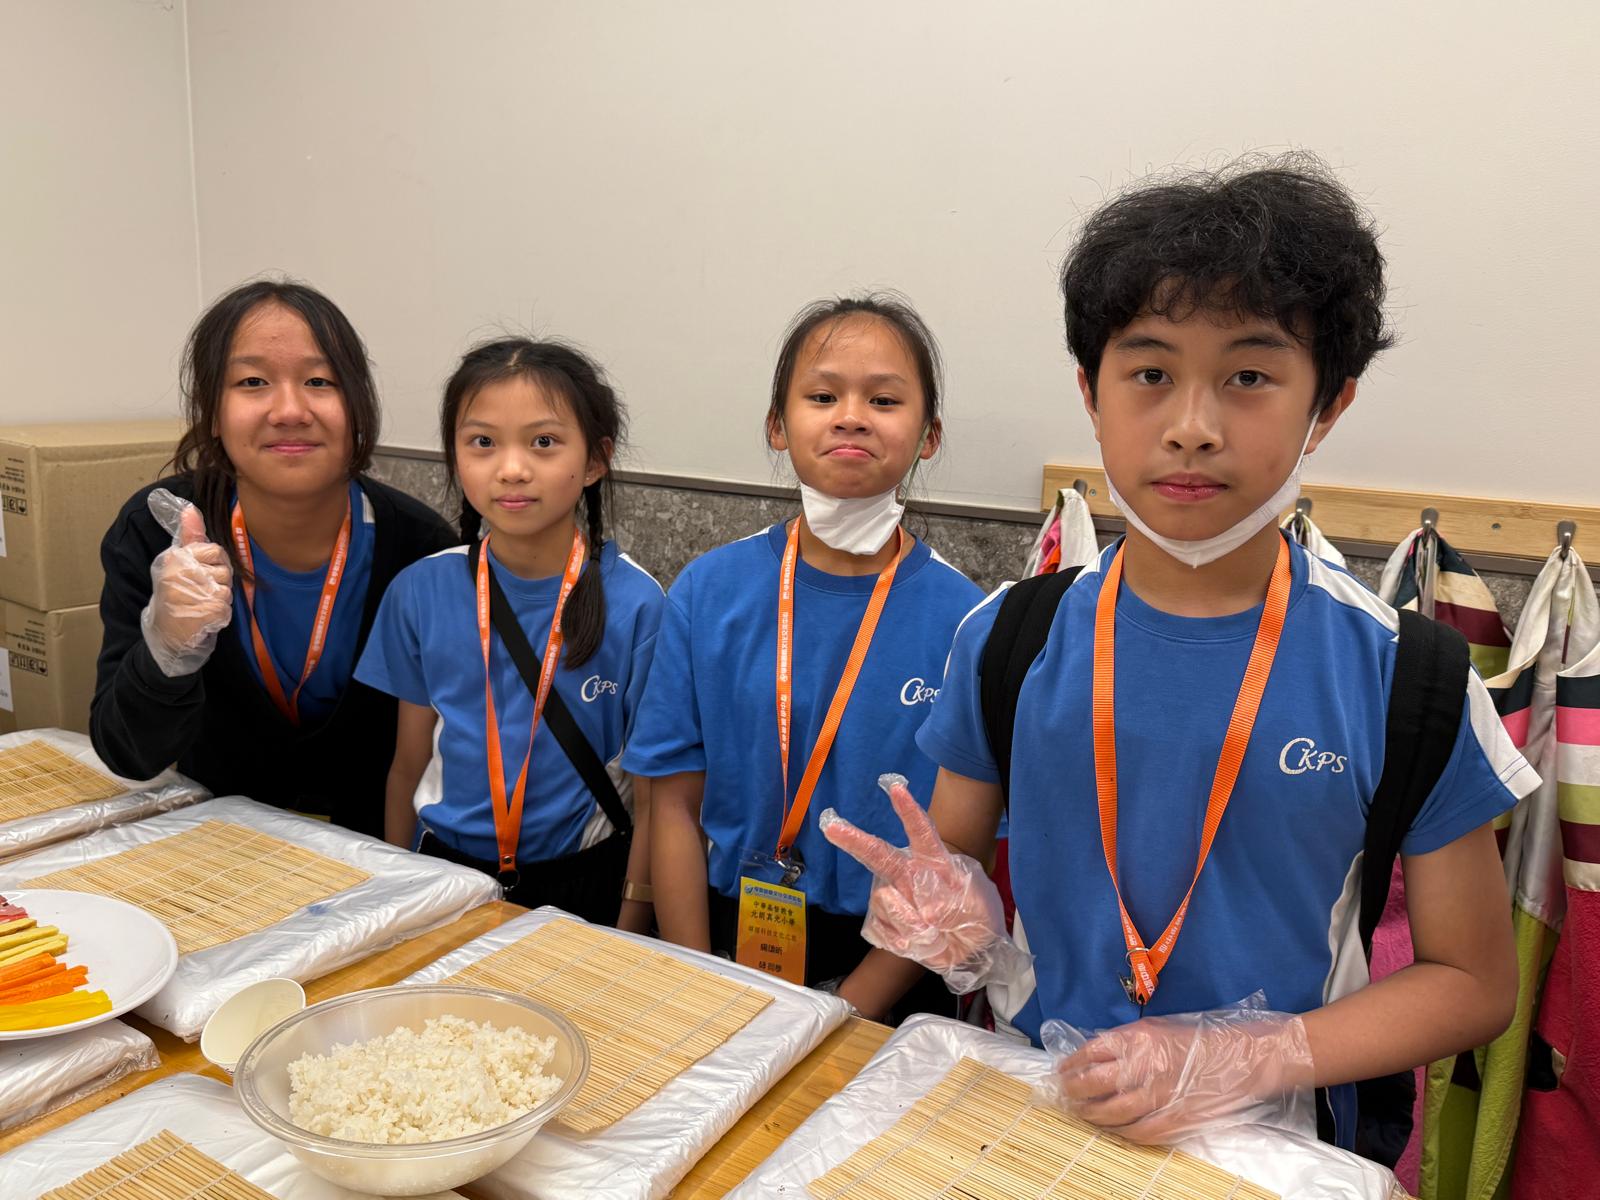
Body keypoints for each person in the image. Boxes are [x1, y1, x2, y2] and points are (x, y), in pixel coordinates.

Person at [823, 158, 1533, 1151]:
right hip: (1035, 1106)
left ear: (1327, 405)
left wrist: (1250, 1056)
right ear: (1091, 392)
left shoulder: (1409, 677)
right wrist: (954, 927)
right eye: (1150, 374)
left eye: (1248, 377)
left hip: (1276, 1140)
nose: (1192, 429)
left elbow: (1473, 983)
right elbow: (954, 876)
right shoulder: (1006, 639)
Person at [626, 294, 984, 1020]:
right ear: (777, 425)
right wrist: (698, 978)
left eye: (883, 399)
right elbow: (673, 806)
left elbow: (955, 857)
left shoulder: (968, 621)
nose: (851, 416)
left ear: (929, 435)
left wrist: (846, 1012)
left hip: (895, 962)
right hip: (719, 929)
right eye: (822, 397)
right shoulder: (709, 590)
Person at [91, 280, 457, 834]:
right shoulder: (156, 531)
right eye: (252, 382)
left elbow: (446, 753)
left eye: (319, 381)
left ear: (357, 406)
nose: (289, 410)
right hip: (215, 844)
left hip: (374, 851)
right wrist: (165, 654)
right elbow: (128, 756)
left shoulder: (420, 548)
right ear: (213, 413)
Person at [355, 338, 662, 932]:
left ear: (595, 460)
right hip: (443, 874)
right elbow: (408, 764)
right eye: (483, 442)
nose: (512, 468)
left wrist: (630, 925)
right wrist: (394, 891)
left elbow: (652, 799)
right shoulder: (420, 590)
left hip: (584, 882)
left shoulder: (639, 605)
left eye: (543, 442)